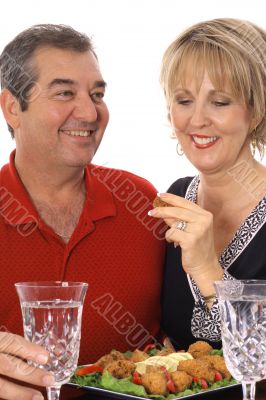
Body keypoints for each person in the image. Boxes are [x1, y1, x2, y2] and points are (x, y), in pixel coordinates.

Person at [0, 24, 165, 400]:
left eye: (97, 94)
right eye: (64, 93)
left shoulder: (143, 203)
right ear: (13, 108)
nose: (90, 112)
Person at [148, 18, 266, 350]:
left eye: (220, 102)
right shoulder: (174, 198)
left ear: (255, 110)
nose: (197, 120)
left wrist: (206, 268)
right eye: (184, 101)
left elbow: (259, 352)